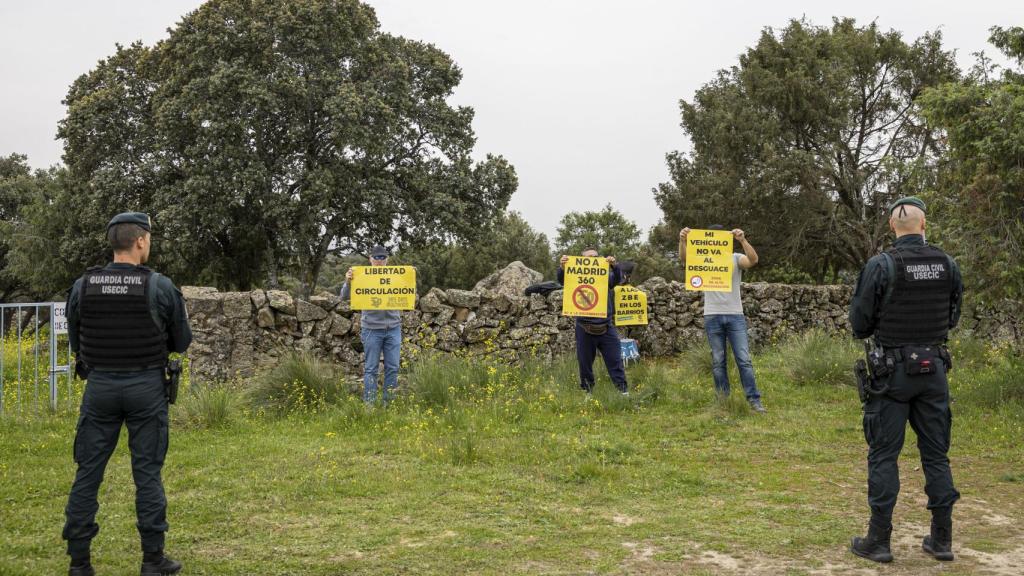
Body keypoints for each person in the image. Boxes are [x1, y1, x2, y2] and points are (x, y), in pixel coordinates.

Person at [63, 212, 192, 576]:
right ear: (140, 241)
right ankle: (153, 560)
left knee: (88, 471)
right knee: (147, 473)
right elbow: (181, 341)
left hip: (99, 386)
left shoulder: (83, 285)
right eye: (149, 238)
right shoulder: (160, 286)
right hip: (146, 387)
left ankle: (79, 562)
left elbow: (76, 339)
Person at [848, 196, 962, 563]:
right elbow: (953, 318)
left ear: (891, 228)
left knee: (883, 456)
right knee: (936, 456)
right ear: (924, 226)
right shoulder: (948, 264)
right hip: (934, 371)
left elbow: (859, 324)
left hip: (891, 375)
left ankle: (878, 541)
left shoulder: (881, 265)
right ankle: (942, 540)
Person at [678, 225, 766, 413]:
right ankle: (722, 399)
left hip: (735, 315)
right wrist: (682, 240)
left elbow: (753, 260)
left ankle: (753, 399)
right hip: (712, 315)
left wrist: (742, 240)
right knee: (718, 360)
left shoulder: (735, 258)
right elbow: (684, 259)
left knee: (744, 359)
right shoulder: (703, 259)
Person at [558, 248, 628, 395]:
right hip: (584, 327)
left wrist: (615, 266)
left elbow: (616, 279)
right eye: (589, 258)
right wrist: (562, 268)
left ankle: (622, 392)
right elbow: (562, 280)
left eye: (596, 257)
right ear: (582, 261)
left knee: (615, 360)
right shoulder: (574, 275)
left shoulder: (605, 276)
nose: (593, 259)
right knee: (585, 364)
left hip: (606, 326)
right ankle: (588, 392)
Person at [340, 245, 402, 404]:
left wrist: (410, 276)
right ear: (370, 259)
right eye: (376, 258)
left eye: (383, 258)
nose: (379, 261)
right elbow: (344, 297)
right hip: (371, 329)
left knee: (393, 368)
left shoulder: (395, 276)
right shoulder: (360, 276)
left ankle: (389, 404)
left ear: (387, 259)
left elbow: (406, 293)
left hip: (393, 328)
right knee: (371, 369)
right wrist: (348, 281)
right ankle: (370, 406)